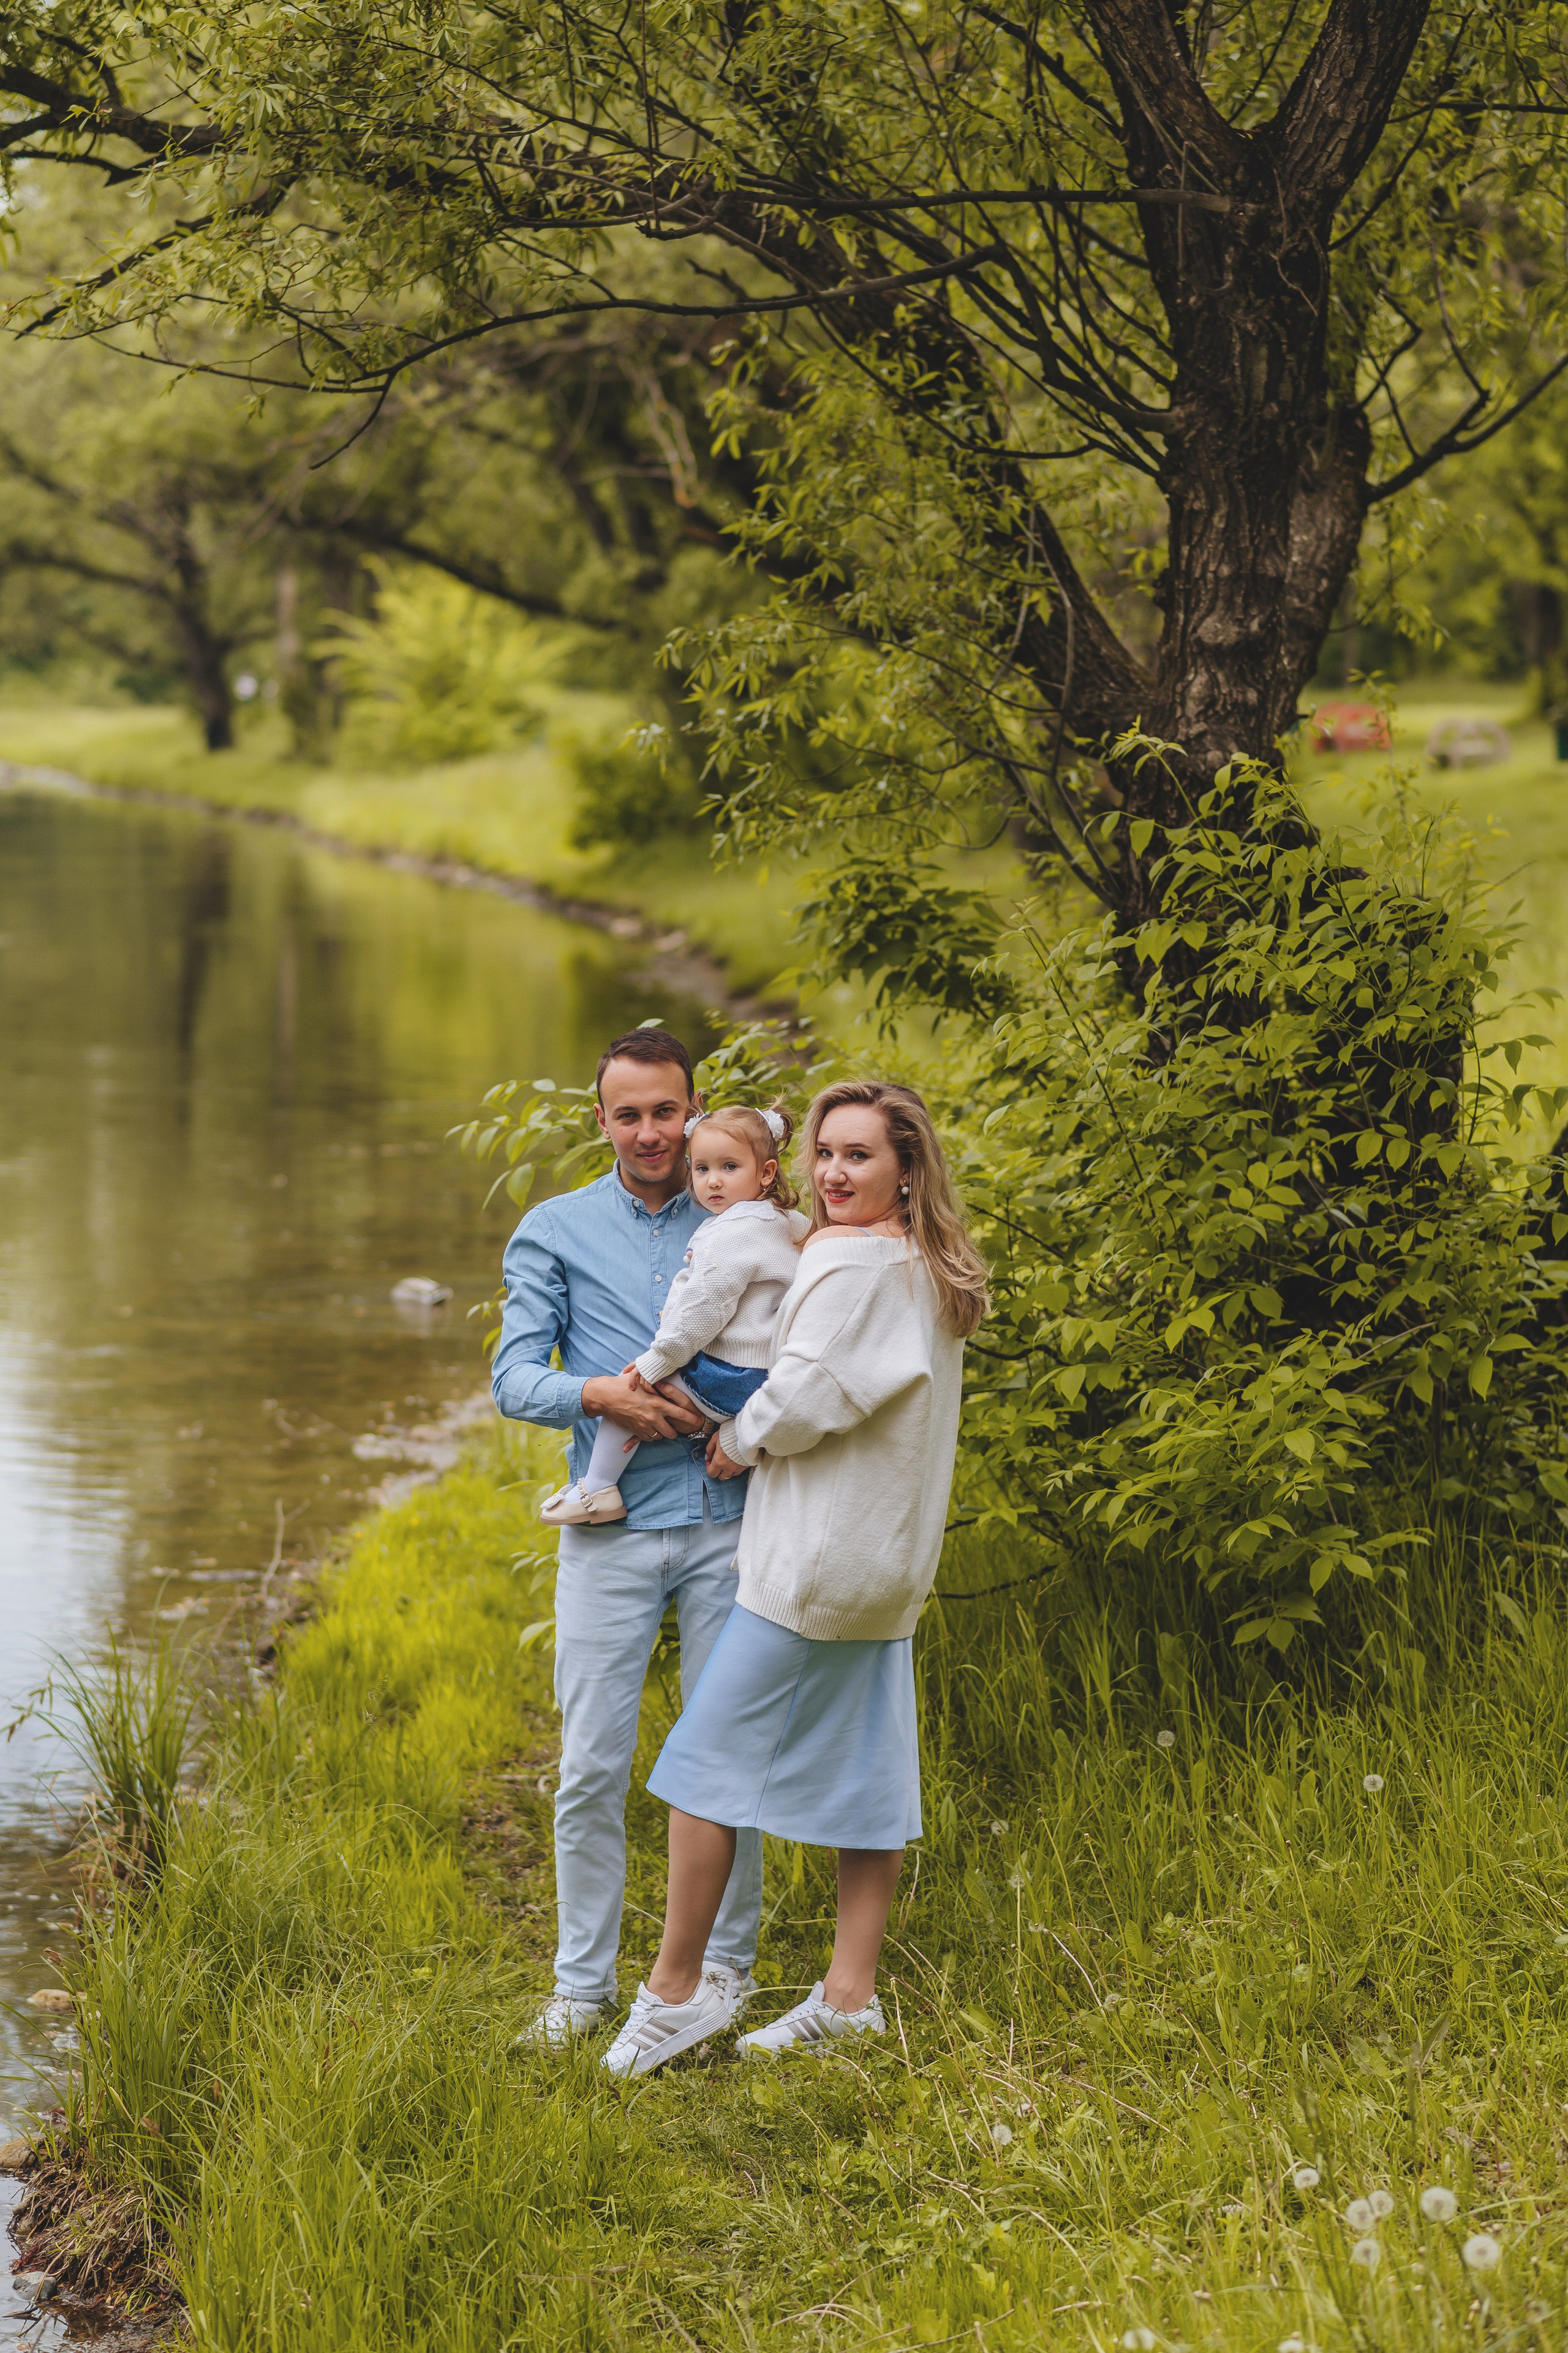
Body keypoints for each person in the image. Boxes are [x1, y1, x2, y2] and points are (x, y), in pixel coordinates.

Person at [600, 1079, 990, 2079]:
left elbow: (812, 1387)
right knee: (869, 1774)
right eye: (824, 1152)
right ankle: (848, 1998)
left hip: (818, 1566)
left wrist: (738, 1438)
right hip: (885, 1565)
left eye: (858, 1154)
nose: (833, 1172)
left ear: (907, 1169)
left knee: (698, 1764)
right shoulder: (927, 1267)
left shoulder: (857, 1264)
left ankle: (676, 1993)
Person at [491, 1027, 764, 2046]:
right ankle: (581, 1990)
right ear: (600, 1119)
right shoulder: (555, 1229)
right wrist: (601, 1393)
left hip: (733, 1524)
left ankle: (721, 1973)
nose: (652, 1132)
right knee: (593, 1762)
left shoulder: (745, 1210)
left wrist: (744, 1421)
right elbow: (514, 1377)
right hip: (609, 1535)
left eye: (668, 1111)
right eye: (630, 1113)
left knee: (726, 1755)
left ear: (694, 1109)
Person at [538, 1101, 805, 1525]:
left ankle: (598, 1486)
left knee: (632, 1394)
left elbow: (704, 1309)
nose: (713, 1181)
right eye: (701, 1169)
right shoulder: (783, 1222)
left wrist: (656, 1361)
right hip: (762, 1374)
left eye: (729, 1167)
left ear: (767, 1172)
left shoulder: (733, 1233)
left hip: (731, 1373)